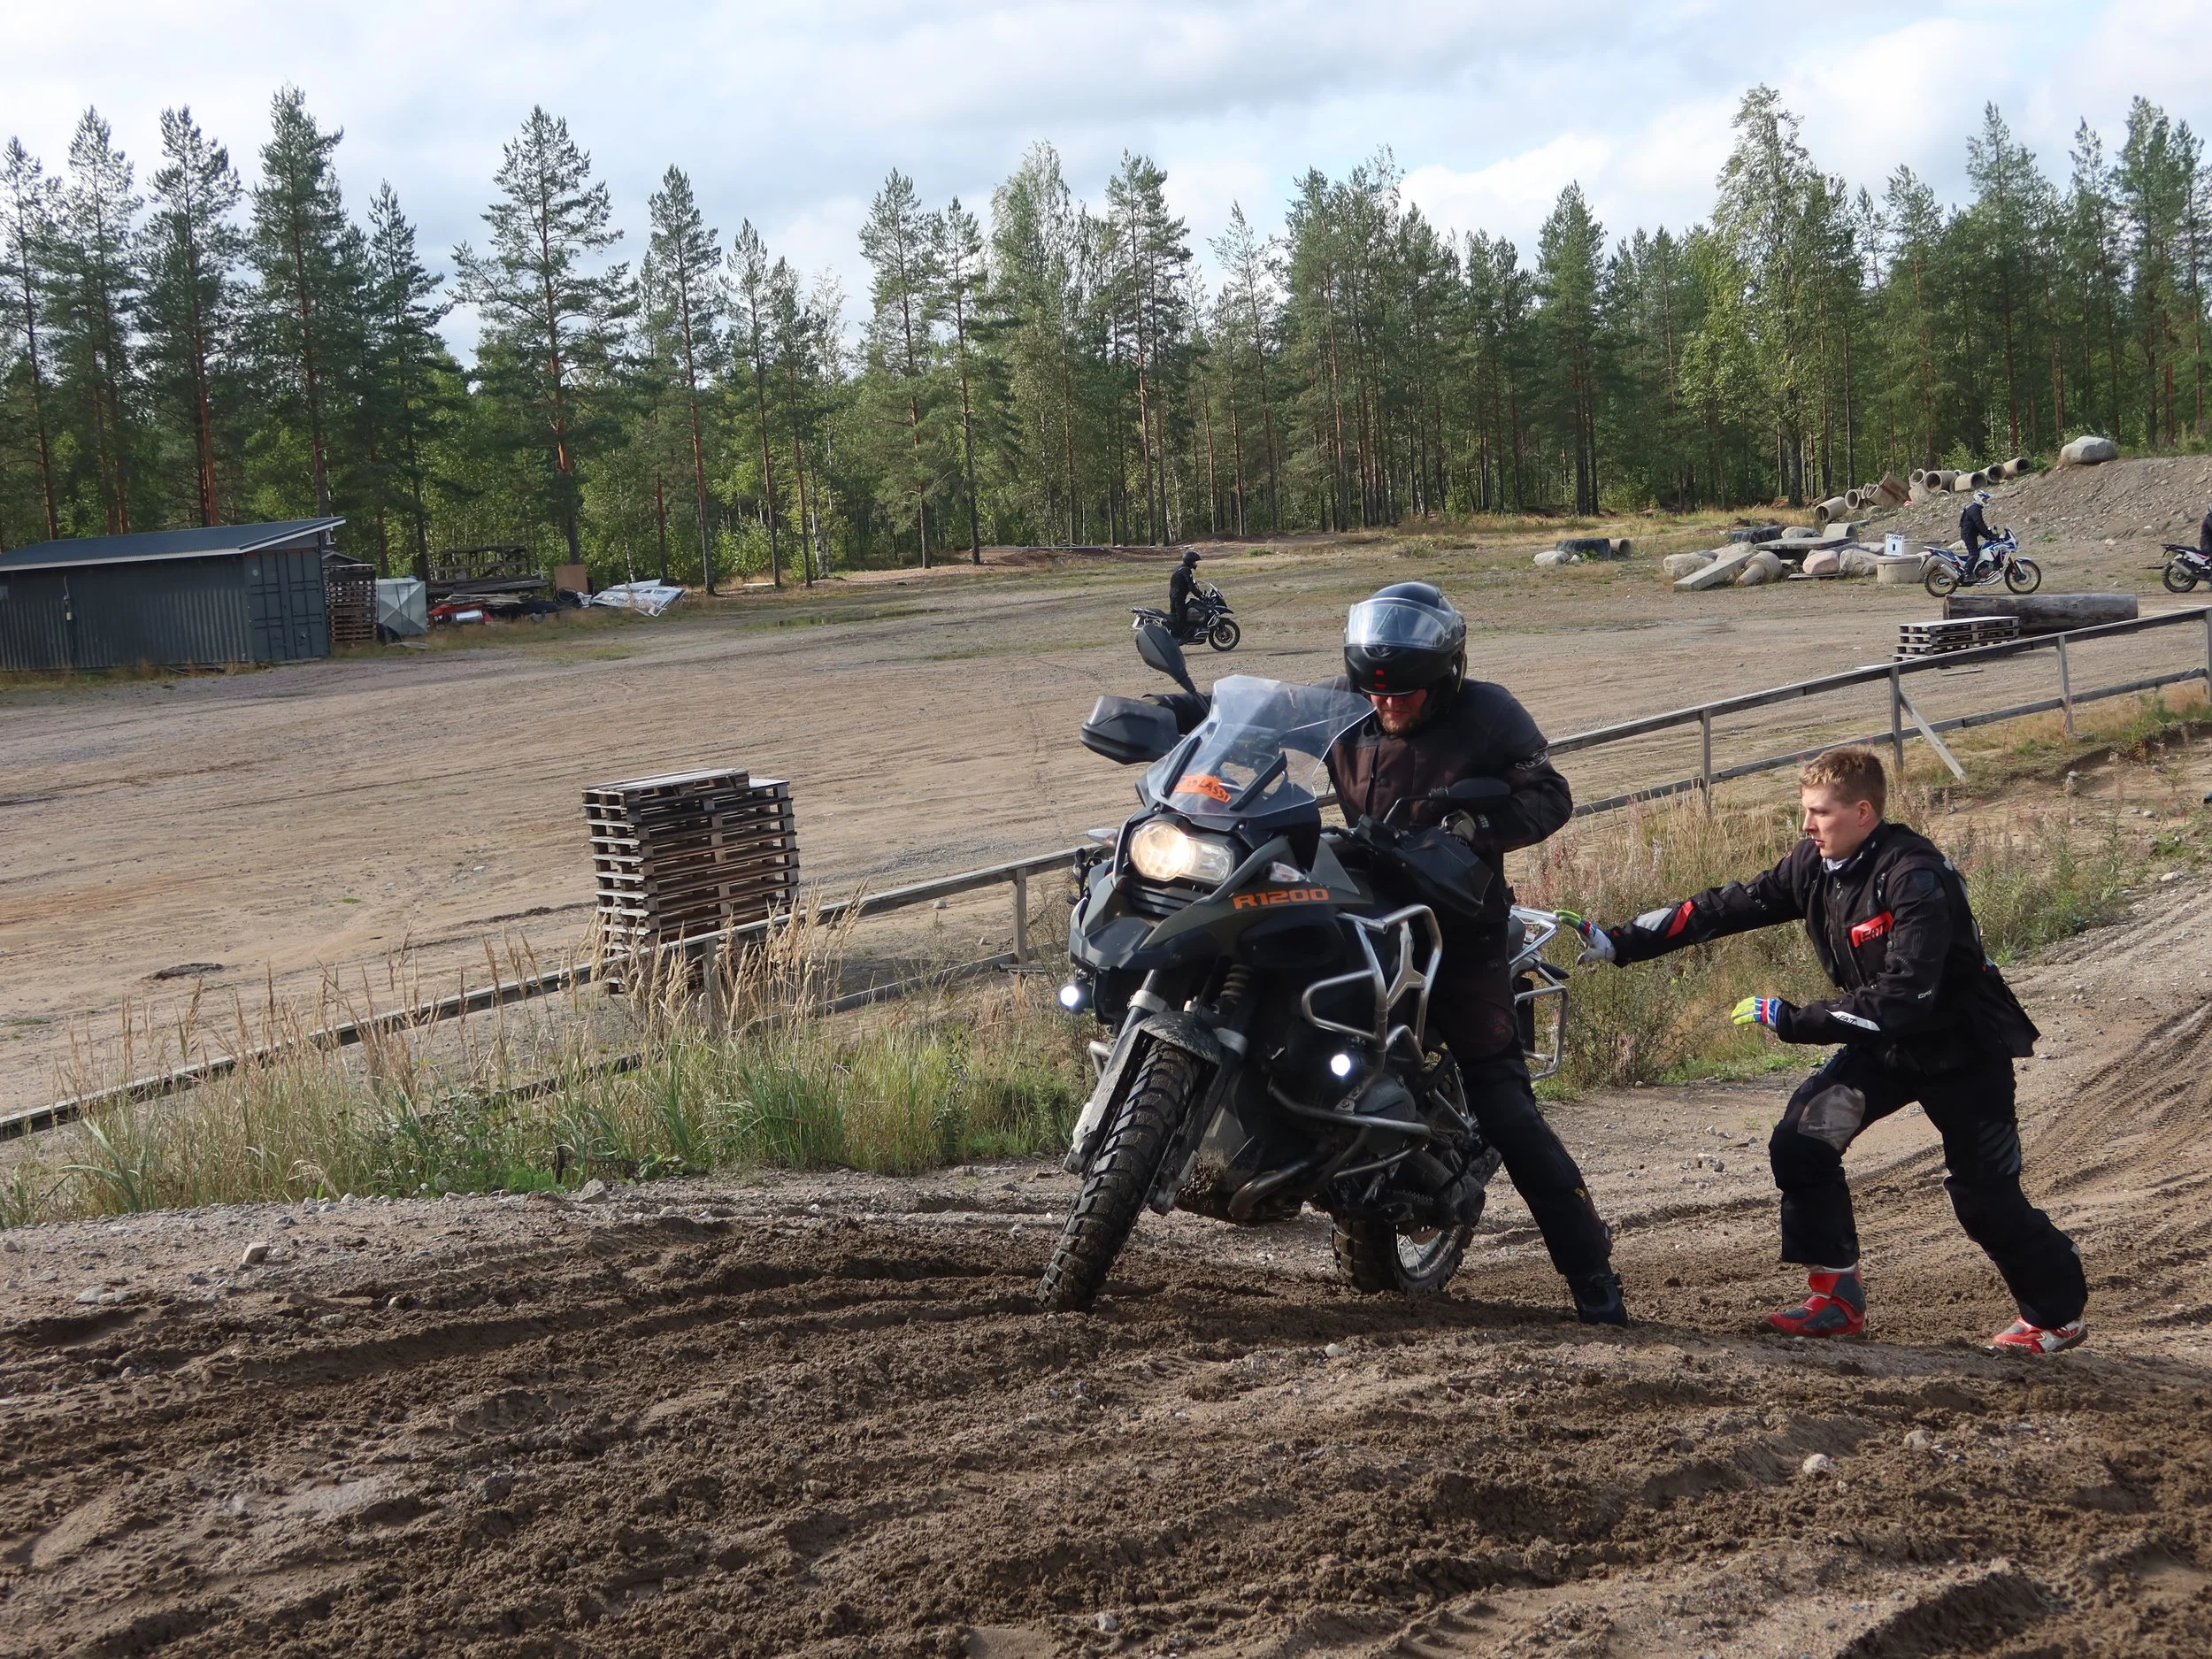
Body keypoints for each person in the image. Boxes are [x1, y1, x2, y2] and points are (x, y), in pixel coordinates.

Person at [1571, 746, 2088, 1355]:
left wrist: (1793, 1019)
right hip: (1886, 1047)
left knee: (1984, 1196)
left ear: (1863, 811)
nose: (1807, 826)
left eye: (1820, 812)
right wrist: (1619, 941)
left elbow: (1905, 997)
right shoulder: (1815, 863)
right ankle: (1837, 1300)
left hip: (1962, 1051)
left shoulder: (1915, 876)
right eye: (1805, 812)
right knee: (1801, 1141)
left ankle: (2057, 1315)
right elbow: (1730, 903)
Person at [1329, 583, 1625, 1325]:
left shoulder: (1488, 712)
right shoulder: (1351, 708)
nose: (1387, 705)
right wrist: (1187, 719)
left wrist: (1470, 827)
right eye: (1376, 690)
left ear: (1447, 675)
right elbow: (1265, 729)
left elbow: (1550, 796)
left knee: (1505, 1107)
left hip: (1458, 931)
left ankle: (1591, 1272)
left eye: (1404, 693)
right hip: (1363, 915)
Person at [1960, 489, 2003, 578]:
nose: (1986, 501)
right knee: (1974, 554)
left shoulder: (1974, 507)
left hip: (1970, 533)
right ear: (1979, 499)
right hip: (1968, 534)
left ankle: (1978, 570)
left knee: (1980, 550)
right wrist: (1989, 535)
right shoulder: (1974, 509)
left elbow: (1977, 525)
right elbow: (1979, 523)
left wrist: (1988, 535)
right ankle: (1967, 574)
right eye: (1984, 499)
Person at [1168, 549, 1202, 639]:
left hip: (1173, 594)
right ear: (1190, 562)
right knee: (1181, 617)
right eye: (1194, 562)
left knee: (1174, 615)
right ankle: (1179, 637)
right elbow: (1191, 586)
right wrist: (1200, 595)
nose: (1195, 564)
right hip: (1178, 596)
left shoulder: (1179, 567)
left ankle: (1175, 634)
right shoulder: (1186, 570)